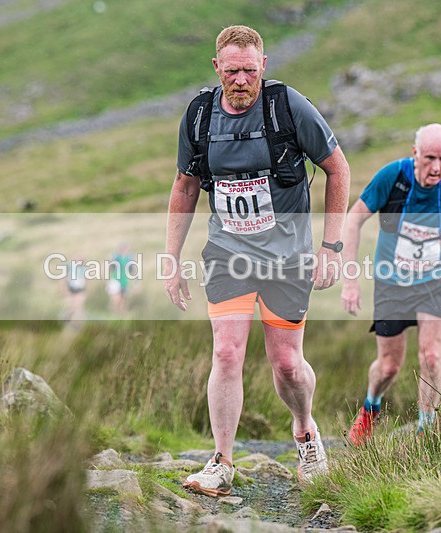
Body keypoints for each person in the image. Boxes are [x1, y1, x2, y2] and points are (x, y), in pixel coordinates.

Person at [164, 25, 350, 497]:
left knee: (286, 364)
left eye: (249, 70)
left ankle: (306, 431)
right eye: (231, 71)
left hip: (288, 257)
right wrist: (171, 258)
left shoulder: (288, 107)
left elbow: (337, 169)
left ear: (263, 66)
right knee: (226, 352)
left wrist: (330, 248)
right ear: (216, 68)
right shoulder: (201, 115)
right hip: (228, 253)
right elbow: (186, 186)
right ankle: (221, 462)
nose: (241, 80)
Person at [340, 123, 441, 444]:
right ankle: (370, 407)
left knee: (431, 356)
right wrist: (350, 280)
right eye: (430, 158)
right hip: (391, 284)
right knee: (389, 366)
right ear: (415, 152)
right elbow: (353, 220)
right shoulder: (393, 178)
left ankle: (426, 429)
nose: (437, 168)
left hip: (435, 282)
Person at [107, 243, 131, 314]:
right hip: (115, 281)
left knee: (123, 300)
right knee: (116, 299)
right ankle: (113, 313)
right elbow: (110, 268)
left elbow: (132, 271)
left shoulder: (128, 258)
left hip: (124, 281)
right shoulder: (116, 257)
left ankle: (121, 315)